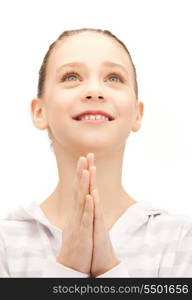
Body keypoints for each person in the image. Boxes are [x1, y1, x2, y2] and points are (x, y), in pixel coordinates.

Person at [0, 28, 192, 278]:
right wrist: (67, 269)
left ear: (137, 113)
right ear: (40, 112)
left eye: (113, 78)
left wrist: (109, 270)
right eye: (71, 77)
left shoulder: (179, 242)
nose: (94, 90)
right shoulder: (6, 244)